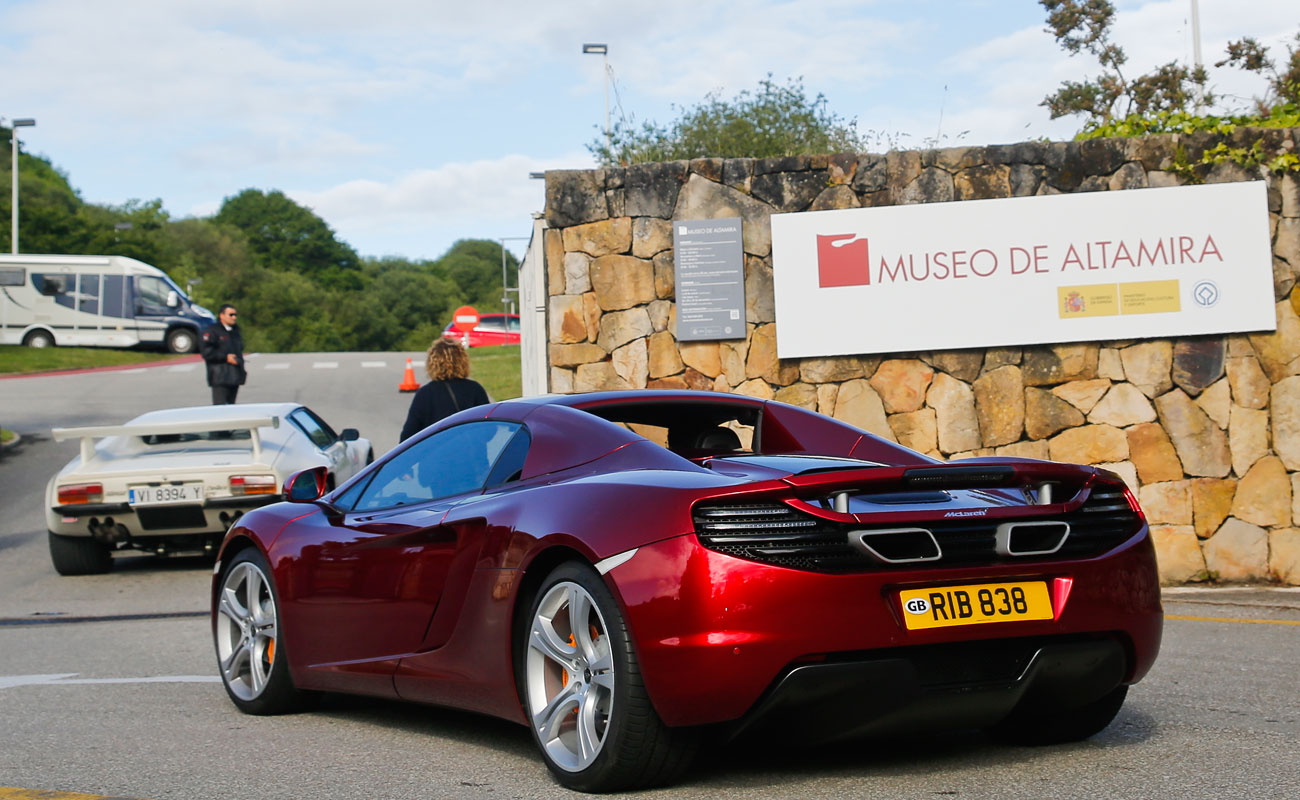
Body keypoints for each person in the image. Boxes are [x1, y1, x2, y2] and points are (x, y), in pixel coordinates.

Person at [399, 338, 490, 441]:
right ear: (463, 361)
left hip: (438, 454)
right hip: (471, 454)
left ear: (432, 363)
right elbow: (488, 431)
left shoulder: (425, 394)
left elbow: (407, 437)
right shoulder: (475, 389)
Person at [200, 304, 246, 404]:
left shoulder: (235, 331)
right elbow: (206, 352)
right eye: (231, 315)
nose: (234, 317)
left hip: (235, 376)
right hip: (220, 376)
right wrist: (225, 357)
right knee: (220, 408)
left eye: (235, 315)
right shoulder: (212, 331)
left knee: (231, 407)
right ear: (222, 315)